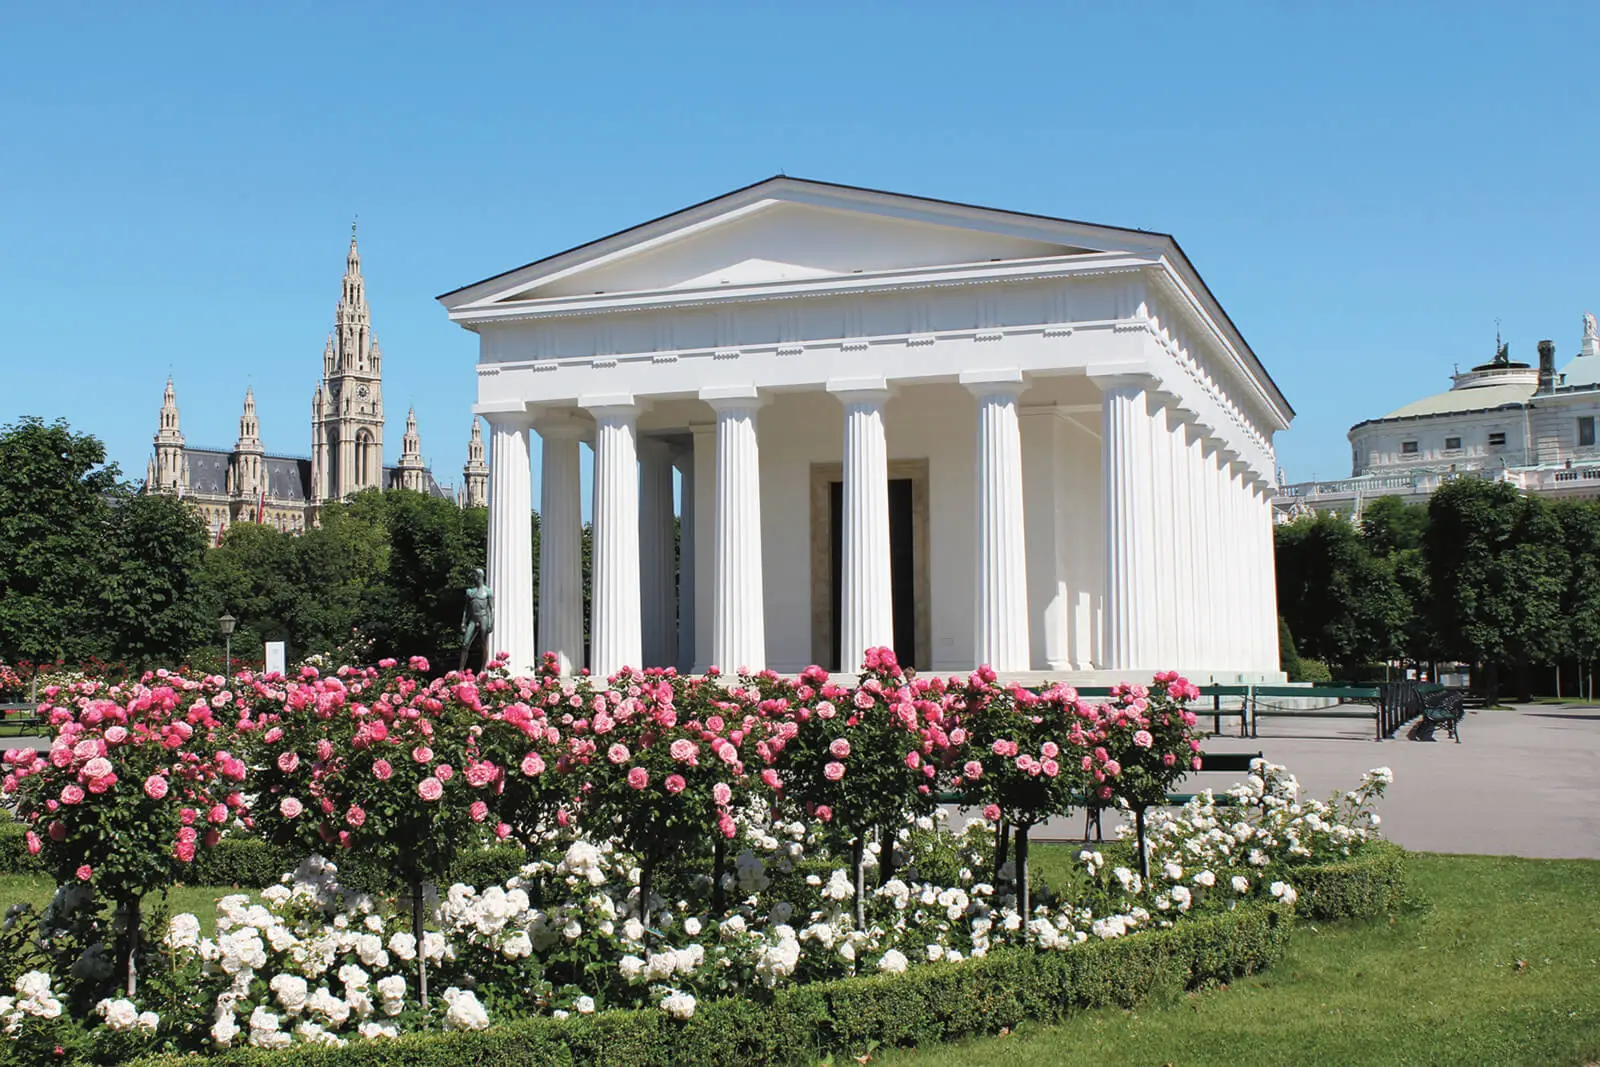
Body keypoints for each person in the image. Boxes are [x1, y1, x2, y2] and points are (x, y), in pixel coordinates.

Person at [459, 568, 494, 671]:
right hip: (473, 619)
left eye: (474, 575)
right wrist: (463, 622)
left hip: (483, 617)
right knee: (465, 644)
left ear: (479, 576)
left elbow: (492, 609)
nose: (473, 578)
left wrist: (491, 622)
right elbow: (466, 608)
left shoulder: (487, 591)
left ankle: (483, 669)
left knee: (483, 642)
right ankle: (461, 669)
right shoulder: (470, 592)